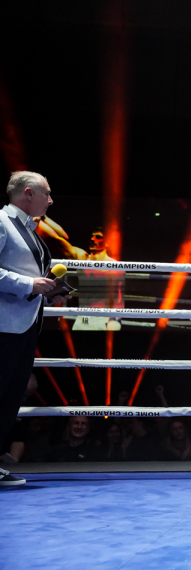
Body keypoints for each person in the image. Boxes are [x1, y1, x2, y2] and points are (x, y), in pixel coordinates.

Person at [0, 171, 66, 487]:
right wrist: (29, 283)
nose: (50, 201)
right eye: (47, 194)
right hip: (4, 327)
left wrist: (50, 290)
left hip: (24, 326)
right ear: (28, 193)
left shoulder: (27, 229)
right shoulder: (2, 222)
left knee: (10, 397)